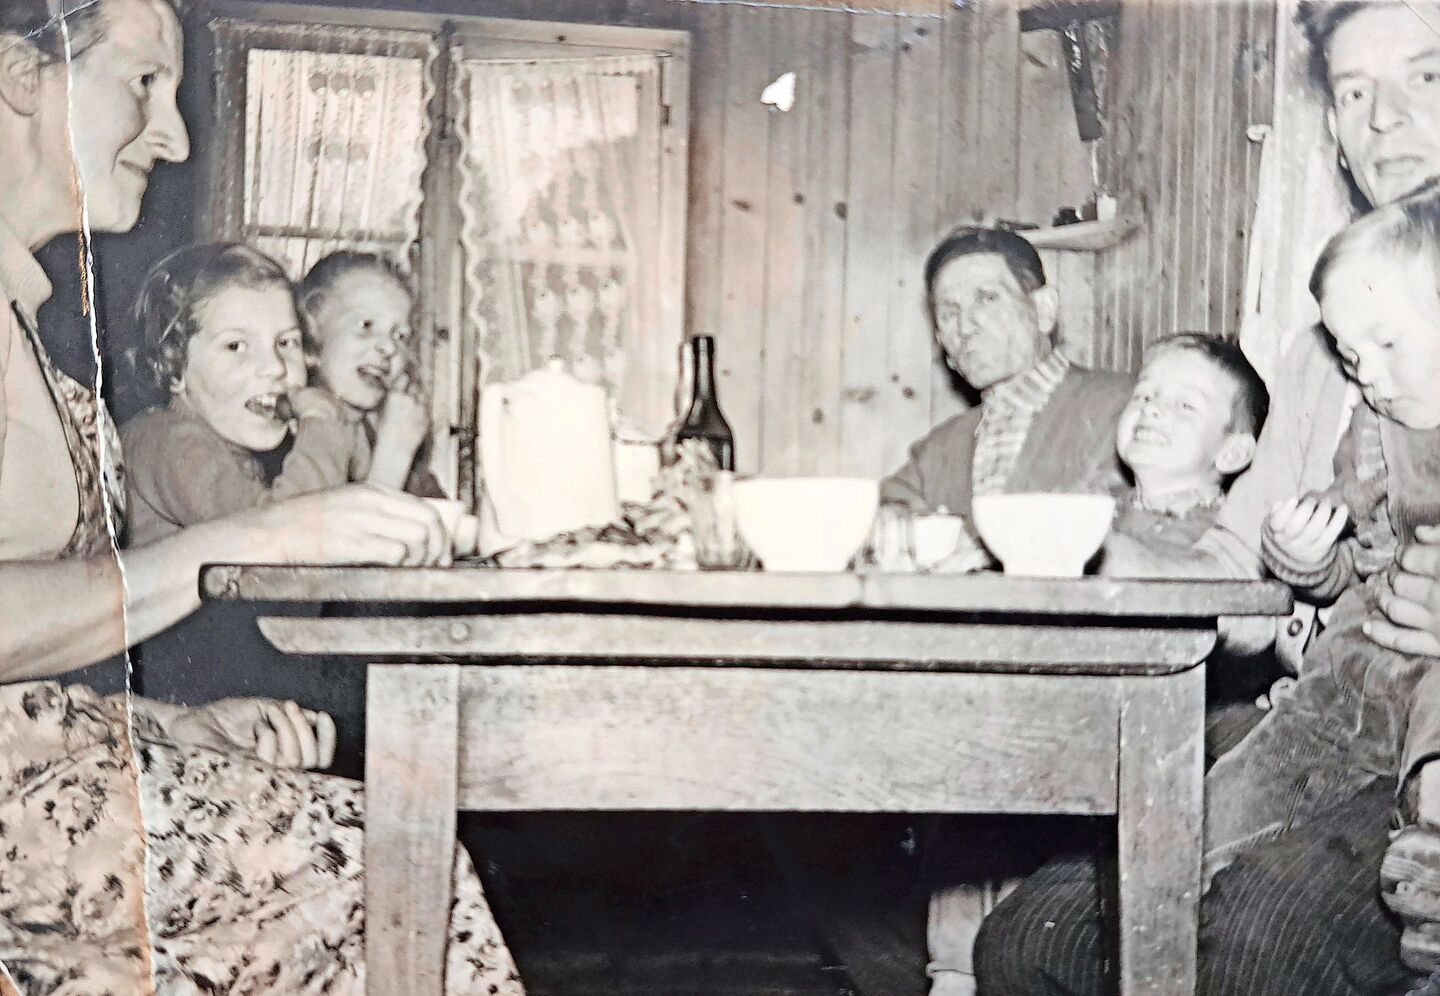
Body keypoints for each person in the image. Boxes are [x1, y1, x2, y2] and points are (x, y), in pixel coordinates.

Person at [0, 0, 522, 991]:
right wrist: (264, 534)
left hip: (61, 769)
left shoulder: (25, 315)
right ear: (20, 78)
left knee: (397, 848)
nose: (175, 135)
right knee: (395, 865)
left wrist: (173, 726)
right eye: (144, 83)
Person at [973, 4, 1440, 984]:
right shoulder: (1322, 353)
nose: (1385, 118)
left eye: (1425, 77)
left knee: (1246, 943)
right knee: (1034, 938)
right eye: (1355, 92)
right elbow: (1242, 574)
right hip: (1336, 712)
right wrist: (1068, 547)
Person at [879, 226, 1135, 570]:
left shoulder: (1127, 408)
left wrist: (1000, 550)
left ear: (1044, 310)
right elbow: (884, 506)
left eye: (987, 298)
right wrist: (891, 520)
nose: (965, 326)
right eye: (949, 313)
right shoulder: (938, 450)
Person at [121, 243, 352, 544]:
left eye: (286, 343)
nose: (275, 367)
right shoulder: (170, 442)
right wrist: (320, 425)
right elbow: (282, 540)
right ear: (172, 366)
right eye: (236, 346)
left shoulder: (217, 441)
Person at [1107, 333, 1267, 566]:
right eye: (1143, 395)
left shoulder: (1225, 537)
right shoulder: (1100, 509)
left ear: (1232, 453)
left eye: (1185, 405)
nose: (1151, 408)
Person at [297, 249, 445, 497]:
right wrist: (394, 451)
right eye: (366, 325)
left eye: (400, 336)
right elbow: (311, 520)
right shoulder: (297, 430)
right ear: (310, 332)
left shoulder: (374, 427)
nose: (389, 347)